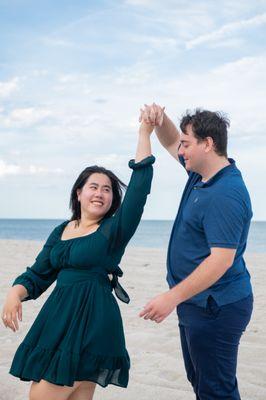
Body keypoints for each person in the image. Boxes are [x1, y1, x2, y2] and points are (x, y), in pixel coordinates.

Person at [1, 119, 155, 400]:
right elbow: (38, 274)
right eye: (93, 186)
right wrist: (14, 293)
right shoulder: (61, 230)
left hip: (92, 320)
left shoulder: (113, 231)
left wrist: (144, 134)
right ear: (79, 192)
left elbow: (139, 190)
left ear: (113, 198)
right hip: (58, 321)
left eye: (107, 189)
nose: (100, 193)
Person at [139, 104, 253, 400]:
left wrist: (171, 297)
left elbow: (221, 260)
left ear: (208, 144)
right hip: (197, 302)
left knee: (216, 390)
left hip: (216, 307)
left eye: (187, 145)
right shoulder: (200, 174)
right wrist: (159, 119)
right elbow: (169, 140)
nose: (181, 150)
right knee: (202, 383)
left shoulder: (225, 192)